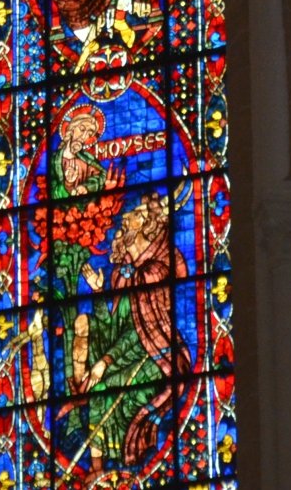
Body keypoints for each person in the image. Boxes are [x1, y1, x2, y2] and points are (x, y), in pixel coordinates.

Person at [65, 192, 187, 472]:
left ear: (146, 226)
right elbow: (114, 325)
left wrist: (104, 363)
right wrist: (98, 293)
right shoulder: (122, 274)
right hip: (123, 350)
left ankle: (104, 469)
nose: (127, 216)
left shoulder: (152, 273)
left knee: (105, 388)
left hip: (155, 356)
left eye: (136, 214)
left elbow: (141, 333)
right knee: (82, 323)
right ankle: (78, 389)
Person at [49, 102, 125, 298]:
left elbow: (100, 176)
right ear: (70, 130)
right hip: (63, 226)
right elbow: (51, 190)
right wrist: (66, 187)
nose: (84, 137)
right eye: (81, 130)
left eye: (88, 133)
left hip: (86, 224)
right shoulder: (55, 161)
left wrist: (84, 187)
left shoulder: (86, 159)